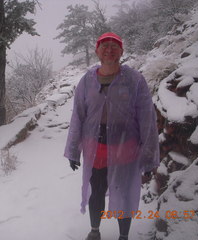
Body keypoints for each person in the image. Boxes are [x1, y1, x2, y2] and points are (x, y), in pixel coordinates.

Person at [64, 32, 160, 240]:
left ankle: (123, 236)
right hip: (95, 148)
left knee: (123, 194)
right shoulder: (87, 81)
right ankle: (95, 231)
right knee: (96, 191)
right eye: (104, 45)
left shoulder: (134, 80)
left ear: (121, 51)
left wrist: (150, 156)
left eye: (114, 46)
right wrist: (73, 150)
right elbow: (78, 116)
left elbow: (147, 120)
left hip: (126, 148)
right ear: (97, 50)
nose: (109, 49)